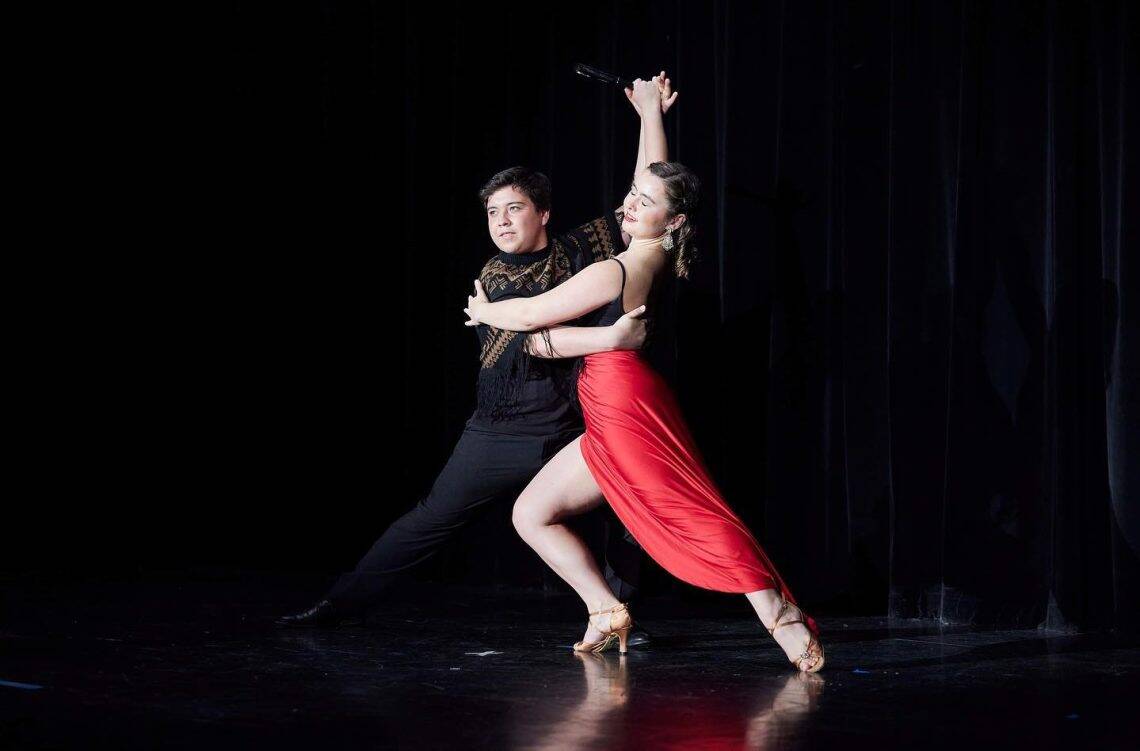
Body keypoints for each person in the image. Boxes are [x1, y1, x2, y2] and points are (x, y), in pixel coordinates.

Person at [276, 73, 681, 636]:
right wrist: (611, 339)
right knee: (427, 522)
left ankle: (618, 613)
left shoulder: (578, 249)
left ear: (543, 213)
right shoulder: (494, 278)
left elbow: (649, 196)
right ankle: (337, 607)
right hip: (500, 434)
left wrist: (648, 115)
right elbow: (534, 326)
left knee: (627, 511)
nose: (502, 221)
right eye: (493, 213)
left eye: (514, 208)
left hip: (571, 426)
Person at [463, 79, 825, 672]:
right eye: (630, 197)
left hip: (624, 408)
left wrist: (485, 312)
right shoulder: (651, 249)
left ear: (673, 221)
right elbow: (650, 177)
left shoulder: (618, 267)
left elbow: (531, 316)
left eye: (641, 203)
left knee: (689, 511)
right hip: (608, 410)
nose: (627, 206)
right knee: (531, 513)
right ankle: (605, 609)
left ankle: (783, 622)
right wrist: (651, 111)